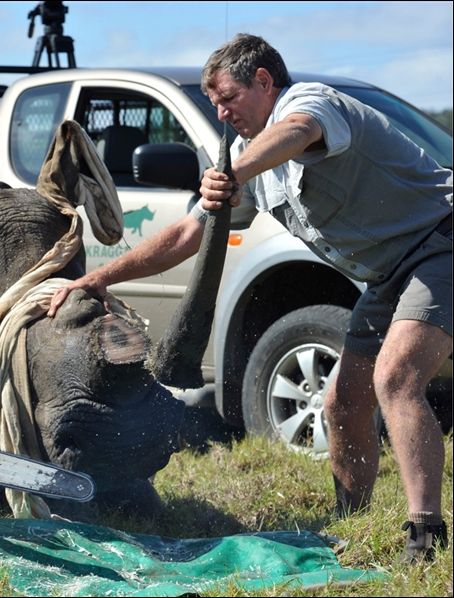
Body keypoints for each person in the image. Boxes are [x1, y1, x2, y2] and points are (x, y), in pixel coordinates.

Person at [49, 33, 452, 563]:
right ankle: (352, 526)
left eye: (227, 99)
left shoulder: (311, 104)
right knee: (342, 402)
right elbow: (186, 237)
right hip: (388, 276)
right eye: (212, 104)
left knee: (396, 378)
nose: (220, 113)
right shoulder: (244, 161)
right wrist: (101, 279)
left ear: (264, 81)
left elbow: (298, 132)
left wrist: (232, 175)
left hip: (441, 242)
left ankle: (426, 538)